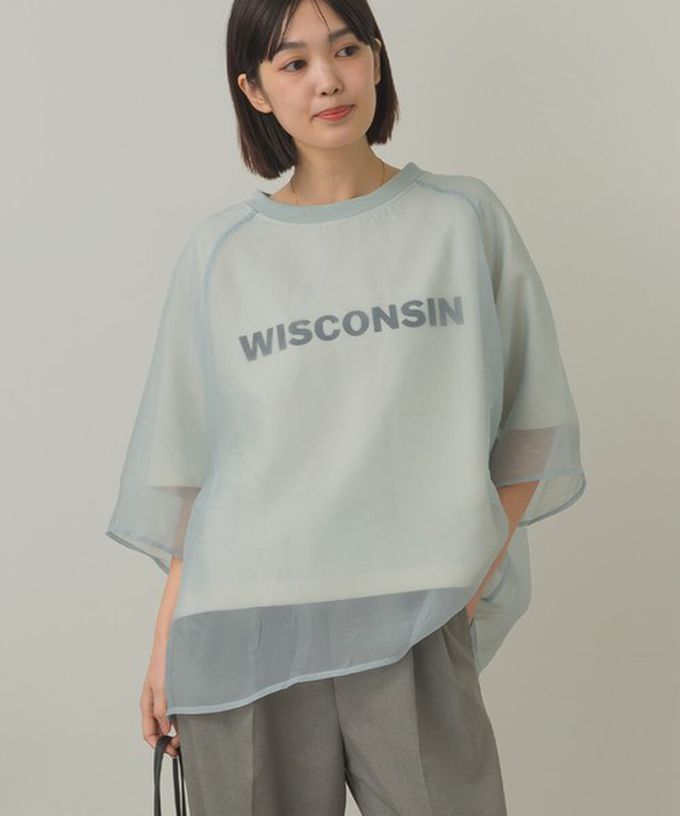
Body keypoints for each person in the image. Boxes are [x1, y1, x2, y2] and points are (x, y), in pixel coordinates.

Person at [105, 0, 587, 813]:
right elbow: (193, 469)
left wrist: (468, 576)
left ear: (376, 58)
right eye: (293, 63)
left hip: (414, 611)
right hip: (246, 620)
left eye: (346, 49)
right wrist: (164, 649)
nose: (327, 80)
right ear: (255, 91)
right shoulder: (223, 252)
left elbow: (534, 424)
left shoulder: (460, 218)